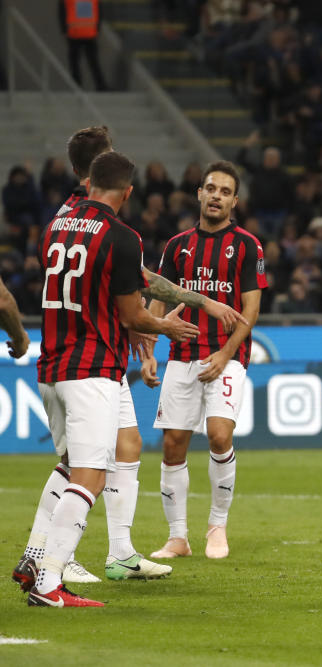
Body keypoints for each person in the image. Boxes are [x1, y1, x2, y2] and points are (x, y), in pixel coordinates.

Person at [12, 126, 247, 589]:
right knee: (83, 469)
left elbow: (128, 279)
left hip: (73, 354)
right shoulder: (114, 229)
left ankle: (118, 552)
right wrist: (154, 324)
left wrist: (190, 305)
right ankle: (49, 564)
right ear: (99, 172)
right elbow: (128, 294)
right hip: (88, 358)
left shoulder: (60, 219)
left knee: (127, 446)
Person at [26, 151, 200, 607]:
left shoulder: (55, 226)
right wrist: (166, 327)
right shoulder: (122, 237)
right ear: (127, 192)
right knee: (89, 477)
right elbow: (129, 313)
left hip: (53, 364)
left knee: (72, 467)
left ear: (87, 184)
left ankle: (36, 560)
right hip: (91, 368)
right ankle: (48, 582)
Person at [147, 160, 267, 561]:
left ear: (235, 200)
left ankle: (217, 526)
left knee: (219, 434)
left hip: (226, 357)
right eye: (210, 188)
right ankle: (177, 537)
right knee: (172, 445)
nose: (216, 195)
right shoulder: (177, 245)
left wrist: (227, 353)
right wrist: (148, 349)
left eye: (225, 191)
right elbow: (158, 298)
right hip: (181, 357)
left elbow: (251, 309)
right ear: (199, 193)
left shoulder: (248, 245)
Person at [59, 0, 107, 91]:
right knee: (93, 61)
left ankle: (77, 86)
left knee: (75, 62)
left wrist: (64, 30)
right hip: (89, 32)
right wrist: (97, 28)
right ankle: (100, 86)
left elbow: (62, 11)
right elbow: (99, 10)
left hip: (74, 32)